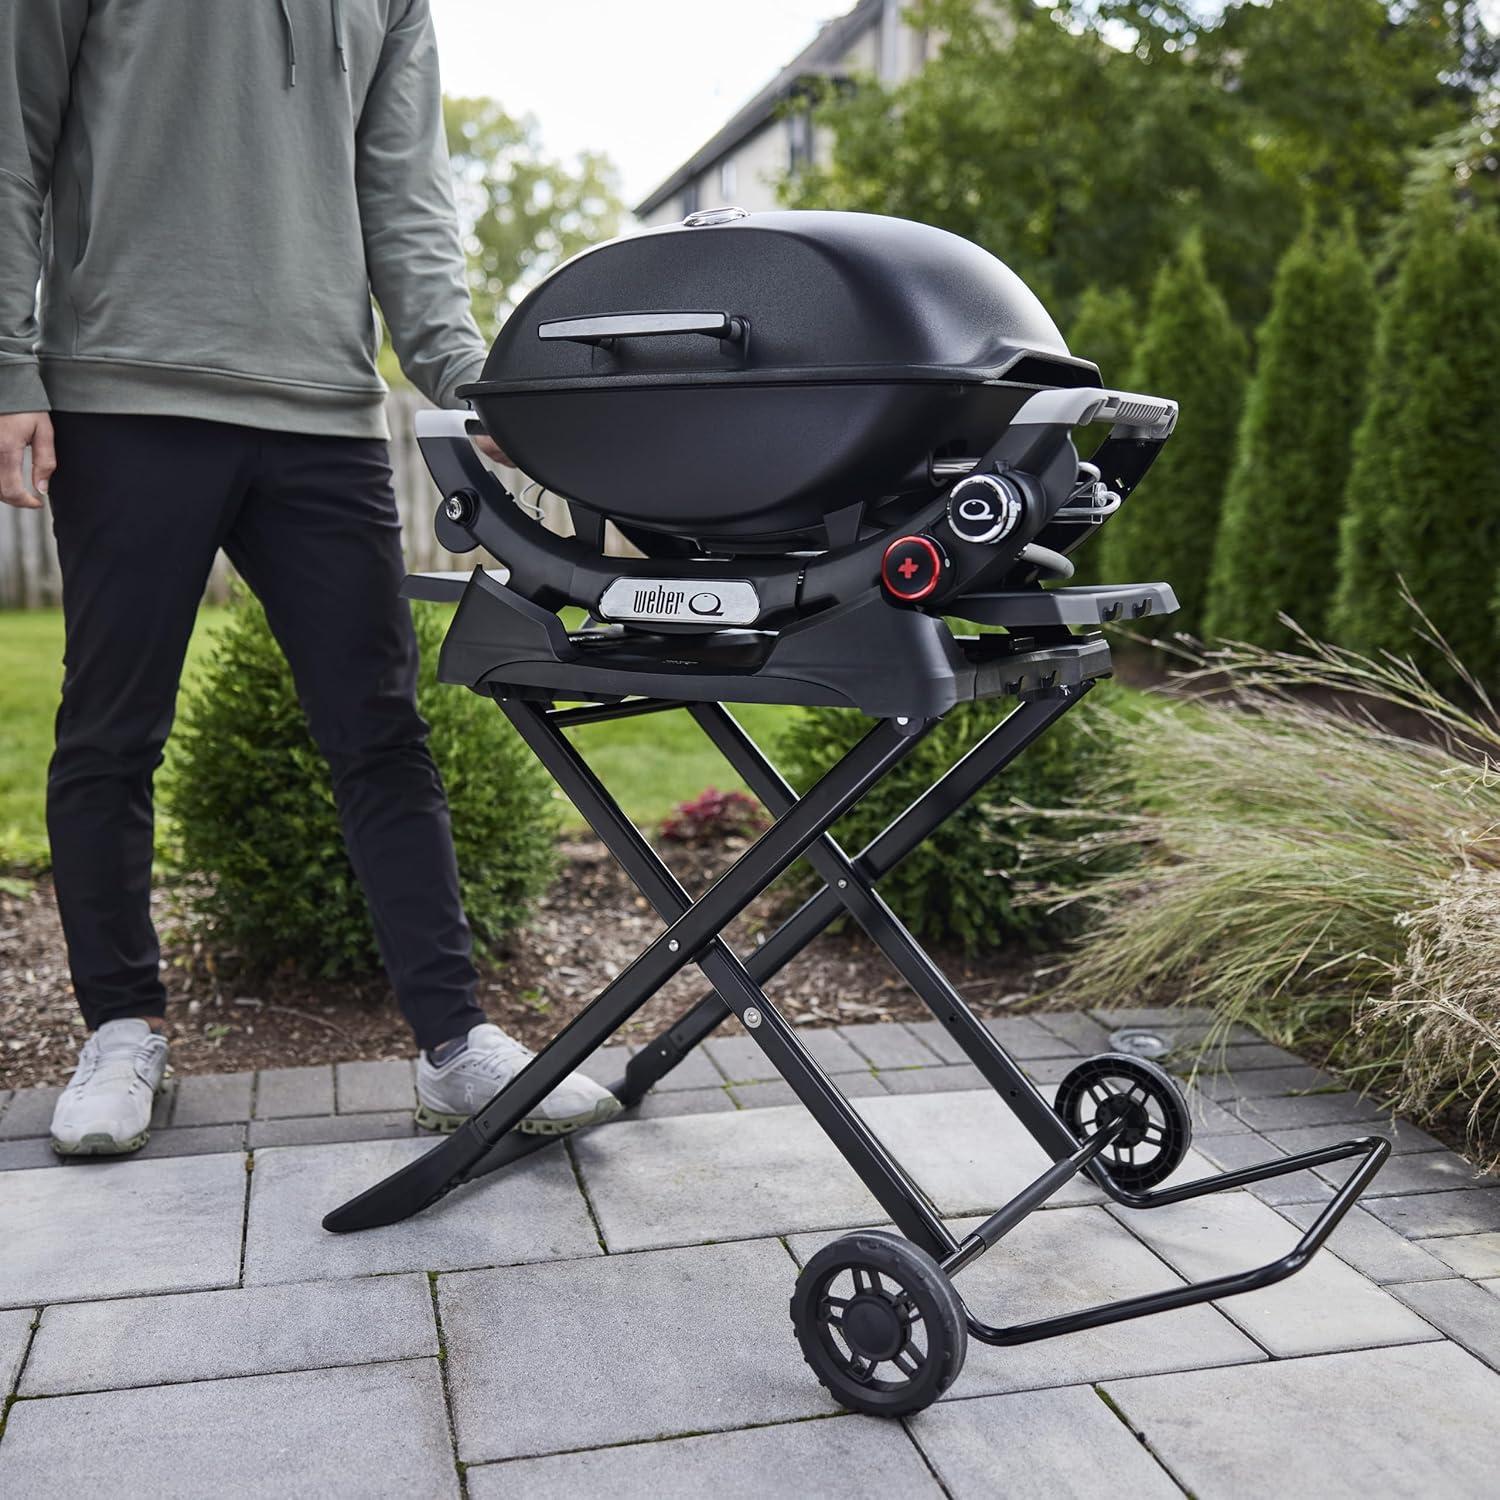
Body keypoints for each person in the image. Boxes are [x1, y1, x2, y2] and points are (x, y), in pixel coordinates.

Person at [0, 0, 617, 1155]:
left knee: (381, 728)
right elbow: (10, 140)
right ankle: (122, 1031)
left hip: (324, 411)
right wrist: (7, 370)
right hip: (126, 391)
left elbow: (406, 190)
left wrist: (458, 370)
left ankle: (455, 1044)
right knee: (111, 729)